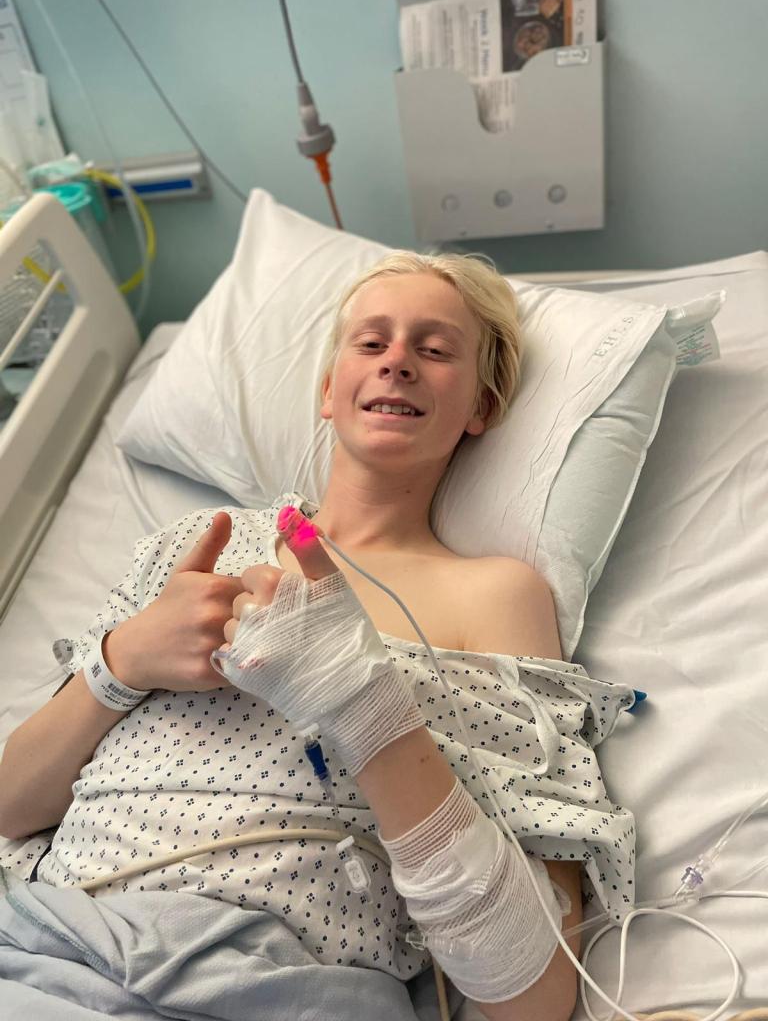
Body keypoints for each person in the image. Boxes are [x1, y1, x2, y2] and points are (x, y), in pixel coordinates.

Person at [0, 251, 636, 1021]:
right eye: (371, 342)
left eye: (435, 349)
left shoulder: (496, 594)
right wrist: (121, 663)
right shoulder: (195, 544)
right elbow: (10, 809)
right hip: (45, 944)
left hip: (271, 989)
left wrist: (360, 704)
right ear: (329, 391)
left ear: (484, 404)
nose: (397, 361)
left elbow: (537, 999)